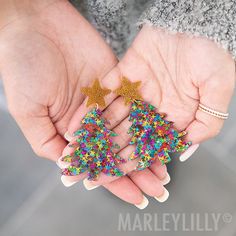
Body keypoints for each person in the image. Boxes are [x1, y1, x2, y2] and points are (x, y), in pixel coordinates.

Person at [0, 0, 235, 209]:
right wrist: (16, 12)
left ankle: (145, 148)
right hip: (63, 42)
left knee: (159, 116)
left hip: (157, 31)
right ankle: (121, 155)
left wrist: (202, 14)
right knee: (116, 133)